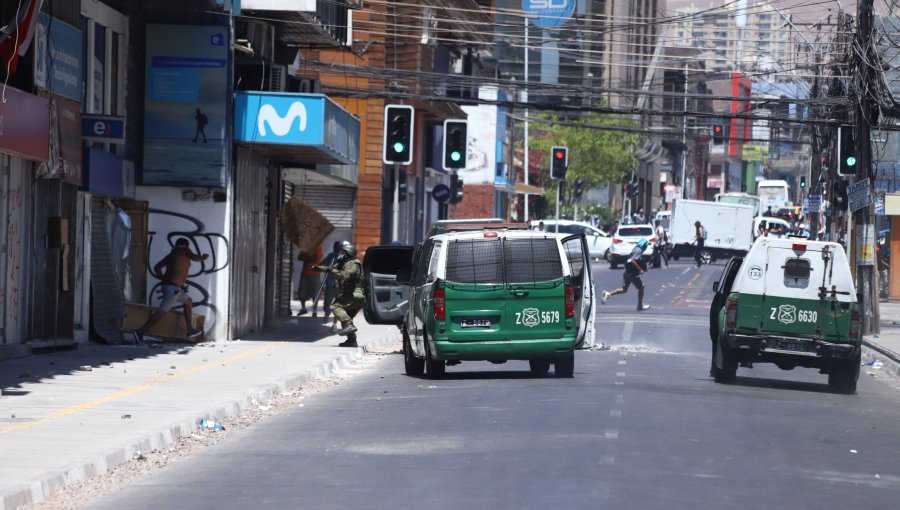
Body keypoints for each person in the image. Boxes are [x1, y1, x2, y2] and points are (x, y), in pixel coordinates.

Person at [133, 238, 208, 342]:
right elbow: (195, 258)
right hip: (172, 289)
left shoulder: (171, 255)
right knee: (162, 312)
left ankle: (189, 329)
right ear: (185, 245)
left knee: (188, 301)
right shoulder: (183, 250)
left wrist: (163, 278)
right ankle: (140, 331)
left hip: (173, 288)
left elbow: (157, 267)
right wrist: (203, 258)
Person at [314, 243, 365, 347]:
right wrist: (320, 268)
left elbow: (344, 275)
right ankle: (351, 340)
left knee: (335, 306)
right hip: (351, 294)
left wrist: (331, 270)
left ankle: (349, 326)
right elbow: (334, 269)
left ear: (348, 253)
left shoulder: (354, 263)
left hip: (355, 294)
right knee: (345, 316)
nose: (341, 255)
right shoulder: (347, 263)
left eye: (343, 253)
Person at [600, 238, 651, 311]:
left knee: (624, 289)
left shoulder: (636, 249)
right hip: (632, 273)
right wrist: (640, 270)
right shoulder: (638, 250)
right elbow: (632, 260)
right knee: (641, 287)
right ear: (643, 245)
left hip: (627, 271)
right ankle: (640, 306)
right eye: (646, 246)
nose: (646, 247)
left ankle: (608, 294)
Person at [319, 241, 343, 324]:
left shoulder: (331, 256)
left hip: (330, 283)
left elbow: (321, 265)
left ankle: (326, 316)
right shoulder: (345, 257)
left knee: (328, 301)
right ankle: (334, 324)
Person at [296, 244, 323, 316]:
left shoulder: (318, 247)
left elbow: (315, 258)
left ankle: (314, 310)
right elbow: (299, 257)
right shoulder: (306, 247)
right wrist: (308, 257)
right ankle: (303, 308)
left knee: (315, 292)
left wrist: (306, 257)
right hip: (305, 272)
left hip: (315, 273)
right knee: (302, 291)